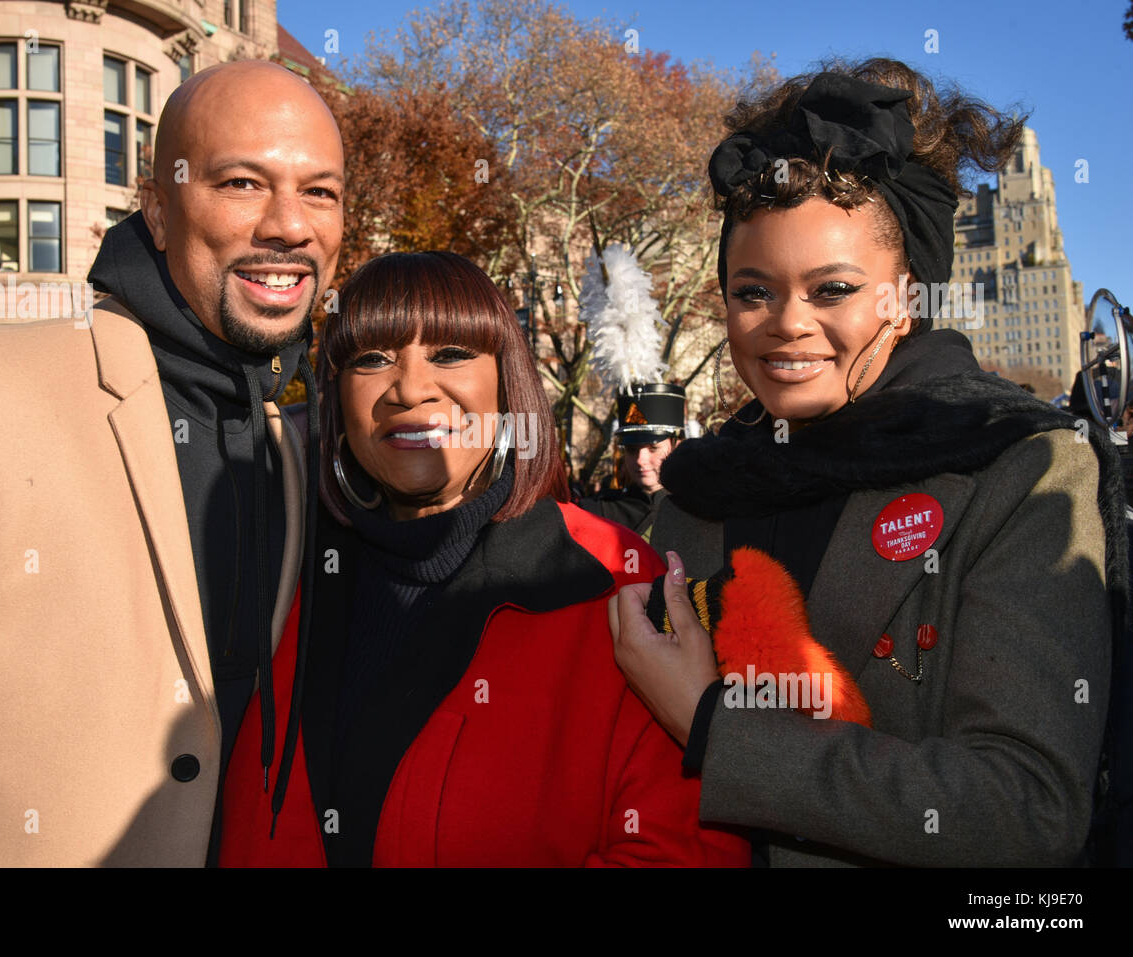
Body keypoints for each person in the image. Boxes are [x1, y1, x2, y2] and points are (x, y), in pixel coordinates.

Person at [609, 58, 1126, 866]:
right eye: (752, 291)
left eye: (832, 289)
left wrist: (717, 729)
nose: (786, 324)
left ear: (905, 293)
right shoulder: (694, 496)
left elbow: (1025, 805)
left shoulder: (1019, 469)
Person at [0, 60, 339, 866]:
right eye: (243, 183)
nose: (290, 224)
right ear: (160, 212)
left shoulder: (301, 440)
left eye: (321, 192)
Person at [218, 251, 749, 867]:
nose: (410, 388)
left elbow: (687, 851)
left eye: (450, 354)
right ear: (336, 399)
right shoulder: (282, 569)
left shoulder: (614, 577)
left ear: (507, 385)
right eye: (371, 358)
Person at [577, 383, 684, 539]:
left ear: (677, 447)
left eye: (653, 448)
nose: (641, 460)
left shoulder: (698, 513)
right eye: (631, 449)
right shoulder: (597, 512)